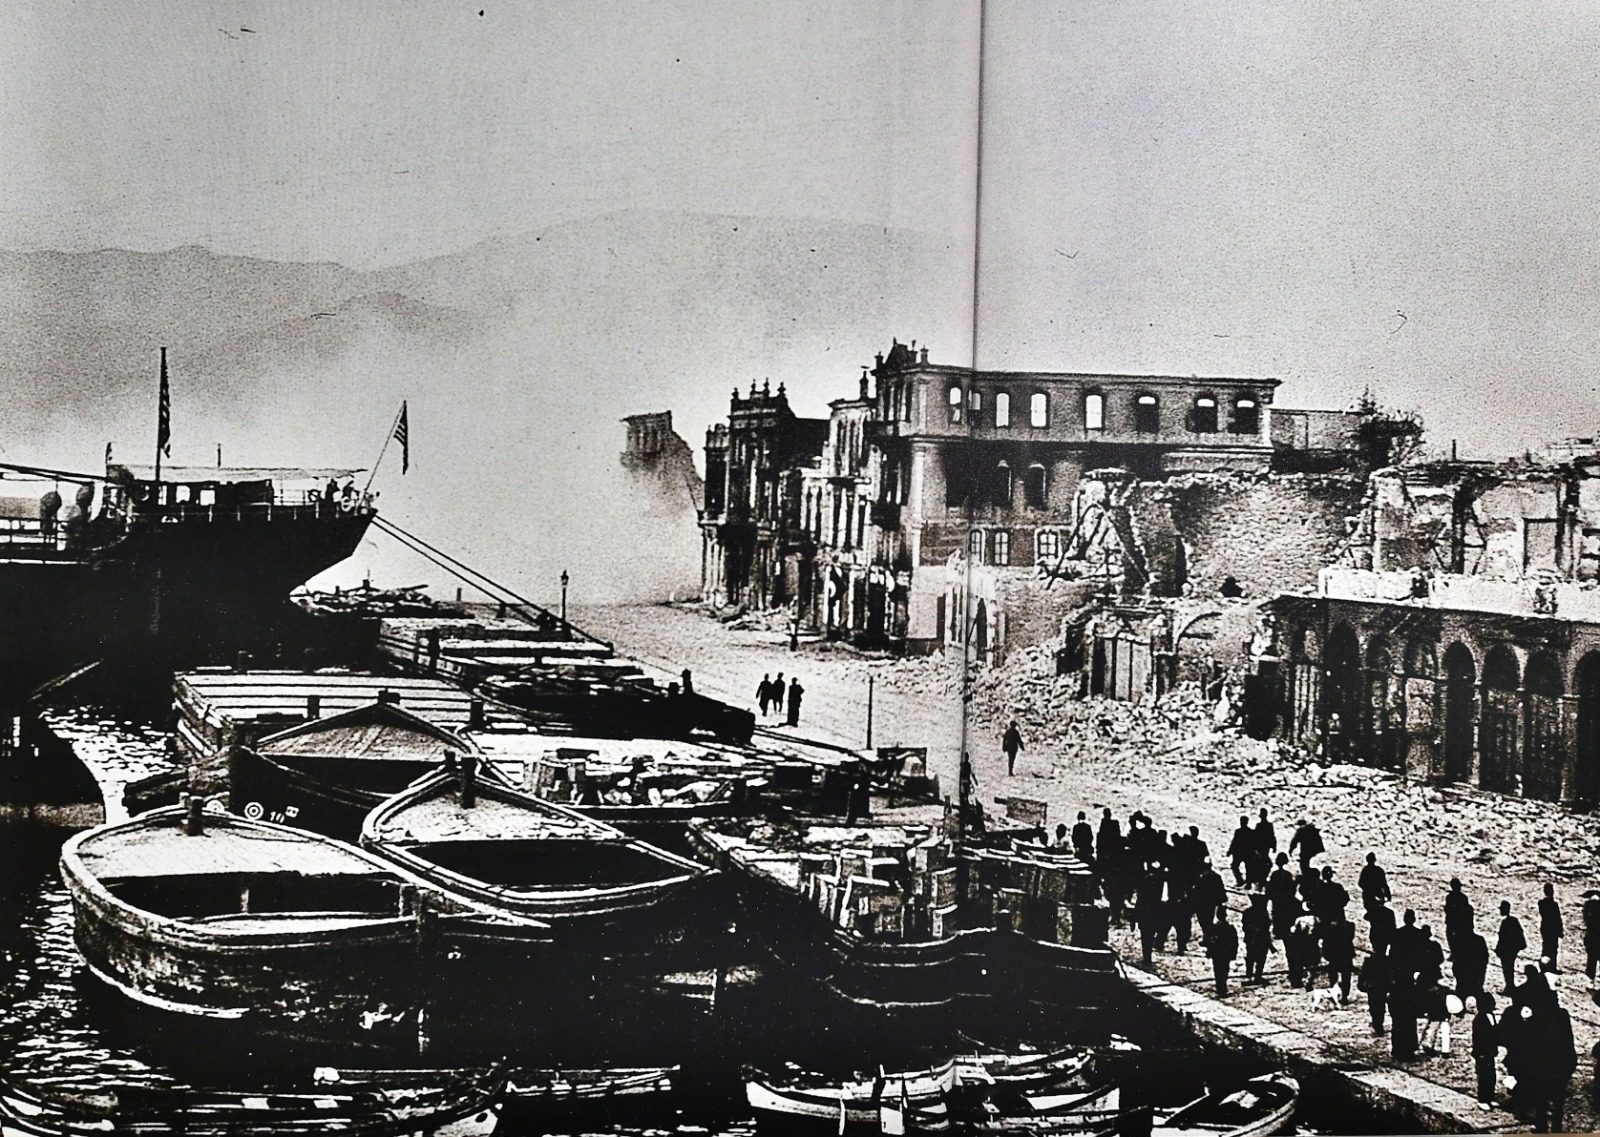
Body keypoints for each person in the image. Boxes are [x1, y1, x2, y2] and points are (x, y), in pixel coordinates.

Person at [1470, 994, 1500, 1110]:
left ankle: (1490, 1096)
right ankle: (1483, 1098)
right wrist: (1480, 1053)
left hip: (1490, 1051)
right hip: (1482, 1052)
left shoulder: (1491, 1016)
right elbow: (1477, 1038)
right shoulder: (1479, 1020)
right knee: (1483, 1076)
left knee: (1491, 1075)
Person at [1322, 914, 1357, 1003]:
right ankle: (1344, 996)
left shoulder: (1328, 927)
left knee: (1333, 975)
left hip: (1334, 954)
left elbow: (1325, 940)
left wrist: (1325, 954)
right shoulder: (1349, 926)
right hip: (1346, 954)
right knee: (1346, 976)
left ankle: (1335, 993)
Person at [1242, 893, 1273, 985]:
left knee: (1251, 957)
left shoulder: (1248, 912)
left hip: (1252, 939)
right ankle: (1256, 976)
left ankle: (1250, 976)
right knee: (1260, 959)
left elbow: (1245, 926)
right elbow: (1266, 927)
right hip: (1260, 939)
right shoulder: (1263, 913)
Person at [1496, 900, 1527, 993]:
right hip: (1513, 949)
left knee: (1507, 969)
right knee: (1510, 968)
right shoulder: (1514, 921)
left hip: (1507, 950)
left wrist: (1498, 949)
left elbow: (1502, 939)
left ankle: (1509, 987)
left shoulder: (1505, 923)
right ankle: (1510, 986)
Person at [1454, 925, 1490, 1002]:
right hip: (1475, 976)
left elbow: (1456, 960)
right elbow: (1485, 958)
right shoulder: (1479, 940)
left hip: (1465, 976)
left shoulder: (1460, 941)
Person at [1207, 909, 1238, 997]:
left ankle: (1220, 988)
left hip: (1217, 953)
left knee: (1217, 970)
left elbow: (1209, 941)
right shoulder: (1229, 928)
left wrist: (1209, 952)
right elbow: (1234, 942)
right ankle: (1222, 988)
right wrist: (1233, 953)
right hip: (1225, 953)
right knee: (1224, 970)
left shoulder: (1214, 928)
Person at [1359, 949, 1390, 1036]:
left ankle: (1377, 1025)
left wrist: (1361, 984)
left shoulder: (1369, 960)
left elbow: (1363, 974)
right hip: (1383, 986)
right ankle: (1379, 1025)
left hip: (1372, 987)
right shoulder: (1387, 960)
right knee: (1381, 1006)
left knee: (1374, 1007)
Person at [1538, 882, 1563, 972]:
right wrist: (1560, 931)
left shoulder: (1541, 903)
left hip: (1545, 928)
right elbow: (1557, 918)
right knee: (1553, 949)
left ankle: (1544, 966)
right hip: (1553, 929)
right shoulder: (1553, 904)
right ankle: (1552, 967)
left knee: (1546, 947)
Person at [1226, 815, 1253, 887]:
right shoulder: (1249, 832)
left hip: (1240, 852)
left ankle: (1243, 881)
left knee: (1238, 866)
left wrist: (1230, 851)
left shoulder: (1239, 831)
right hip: (1245, 852)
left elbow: (1234, 842)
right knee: (1246, 867)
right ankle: (1246, 882)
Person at [1584, 888, 1600, 981]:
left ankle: (1590, 979)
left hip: (1591, 936)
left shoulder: (1588, 909)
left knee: (1591, 959)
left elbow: (1586, 918)